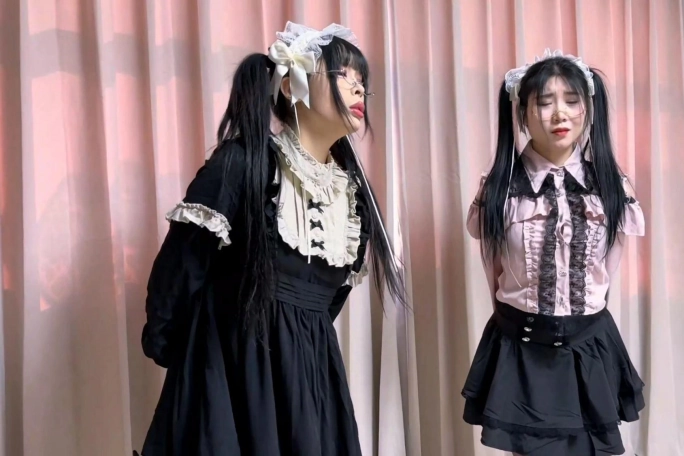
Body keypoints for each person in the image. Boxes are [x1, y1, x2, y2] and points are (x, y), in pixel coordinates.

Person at [138, 21, 405, 456]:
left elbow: (325, 305)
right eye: (343, 74)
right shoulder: (245, 164)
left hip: (311, 386)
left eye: (363, 81)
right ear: (289, 84)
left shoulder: (351, 199)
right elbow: (180, 268)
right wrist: (186, 357)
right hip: (229, 377)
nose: (359, 89)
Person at [461, 49, 646, 456]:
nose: (560, 113)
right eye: (544, 103)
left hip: (589, 345)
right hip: (522, 348)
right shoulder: (499, 188)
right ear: (522, 114)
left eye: (572, 100)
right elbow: (493, 270)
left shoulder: (612, 185)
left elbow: (606, 271)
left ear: (587, 108)